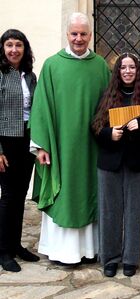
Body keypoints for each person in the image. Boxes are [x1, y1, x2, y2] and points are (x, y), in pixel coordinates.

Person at [29, 12, 111, 265]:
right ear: (67, 35)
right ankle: (61, 250)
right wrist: (41, 145)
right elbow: (41, 106)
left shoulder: (100, 66)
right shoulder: (52, 65)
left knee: (90, 190)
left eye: (83, 34)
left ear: (90, 35)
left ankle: (90, 249)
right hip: (62, 146)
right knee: (65, 191)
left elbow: (111, 103)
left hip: (92, 147)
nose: (78, 39)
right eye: (74, 33)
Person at [92, 53, 140, 277]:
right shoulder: (107, 96)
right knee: (109, 212)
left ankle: (130, 258)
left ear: (137, 70)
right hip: (109, 162)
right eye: (123, 68)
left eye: (132, 67)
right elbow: (94, 128)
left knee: (134, 211)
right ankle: (110, 257)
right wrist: (109, 134)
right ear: (118, 72)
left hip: (137, 162)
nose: (128, 71)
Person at [0, 29, 39, 272]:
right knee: (7, 197)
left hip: (27, 140)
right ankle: (3, 252)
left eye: (19, 45)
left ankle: (15, 245)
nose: (14, 50)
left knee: (20, 196)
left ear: (25, 49)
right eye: (9, 45)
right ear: (2, 49)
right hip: (6, 142)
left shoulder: (30, 76)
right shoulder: (1, 75)